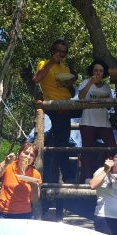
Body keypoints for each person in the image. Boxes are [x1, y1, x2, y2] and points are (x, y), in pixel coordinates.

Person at [33, 39, 76, 184]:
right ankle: (68, 176)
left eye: (64, 52)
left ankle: (69, 174)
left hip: (67, 107)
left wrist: (69, 85)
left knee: (90, 112)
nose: (61, 54)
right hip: (54, 107)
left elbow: (72, 92)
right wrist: (52, 62)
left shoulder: (66, 69)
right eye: (58, 51)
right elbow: (36, 79)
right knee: (62, 143)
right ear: (52, 51)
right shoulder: (44, 63)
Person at [77, 59, 117, 181]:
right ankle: (87, 177)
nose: (98, 73)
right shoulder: (85, 82)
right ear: (92, 71)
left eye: (100, 71)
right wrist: (91, 83)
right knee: (87, 151)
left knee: (112, 148)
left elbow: (110, 106)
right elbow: (80, 97)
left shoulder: (107, 87)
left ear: (104, 73)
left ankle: (109, 175)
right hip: (87, 121)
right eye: (96, 70)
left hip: (104, 122)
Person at [89, 147, 117, 235]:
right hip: (104, 216)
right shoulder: (101, 171)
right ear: (111, 159)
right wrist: (106, 170)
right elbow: (92, 185)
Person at [0, 143, 41, 219]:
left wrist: (34, 187)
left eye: (32, 155)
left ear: (34, 159)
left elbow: (35, 201)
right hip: (2, 212)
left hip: (24, 214)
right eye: (26, 153)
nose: (28, 157)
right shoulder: (8, 165)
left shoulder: (35, 174)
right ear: (19, 153)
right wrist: (5, 163)